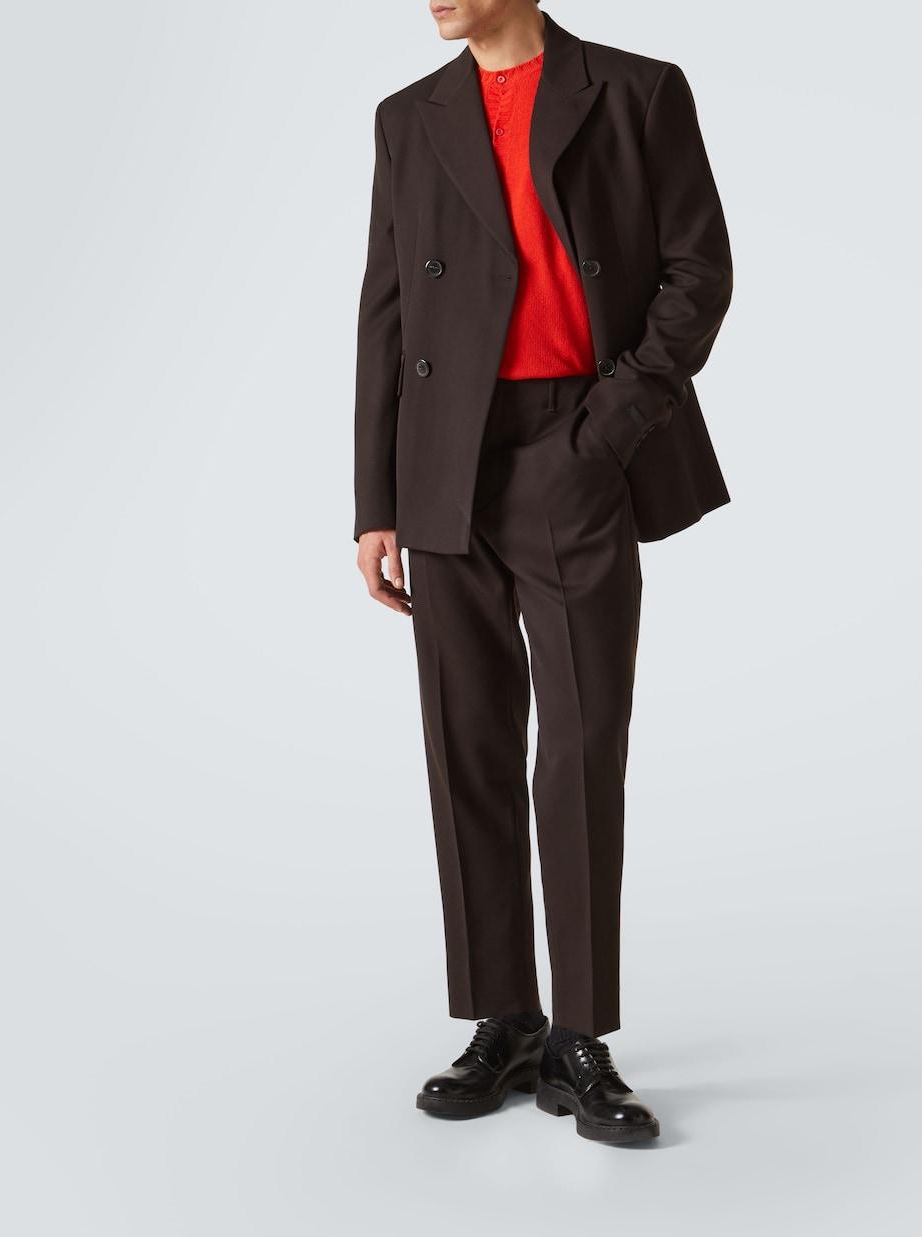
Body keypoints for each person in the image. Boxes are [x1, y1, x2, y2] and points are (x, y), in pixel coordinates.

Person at [353, 1, 732, 1144]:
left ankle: (577, 1035)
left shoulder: (636, 90)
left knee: (576, 746)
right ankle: (504, 1018)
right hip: (442, 461)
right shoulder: (407, 118)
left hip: (573, 444)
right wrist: (375, 502)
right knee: (464, 739)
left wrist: (604, 431)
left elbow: (697, 271)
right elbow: (384, 306)